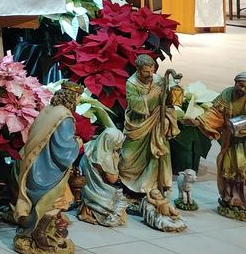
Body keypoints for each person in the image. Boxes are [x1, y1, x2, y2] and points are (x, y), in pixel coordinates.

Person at [13, 81, 82, 254]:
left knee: (40, 203)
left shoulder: (48, 110)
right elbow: (63, 150)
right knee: (52, 202)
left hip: (33, 165)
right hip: (48, 170)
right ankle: (39, 236)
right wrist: (77, 144)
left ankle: (32, 233)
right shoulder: (65, 117)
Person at [120, 54, 183, 222]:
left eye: (152, 70)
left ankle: (151, 188)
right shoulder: (131, 83)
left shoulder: (159, 79)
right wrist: (151, 95)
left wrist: (171, 95)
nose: (149, 74)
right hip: (138, 124)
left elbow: (166, 101)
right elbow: (134, 105)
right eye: (145, 72)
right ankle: (131, 190)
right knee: (128, 157)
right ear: (138, 70)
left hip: (156, 123)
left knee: (155, 156)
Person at [190, 71, 246, 216]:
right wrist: (199, 121)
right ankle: (231, 198)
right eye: (240, 85)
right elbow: (215, 112)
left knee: (243, 168)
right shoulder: (227, 94)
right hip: (231, 140)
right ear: (235, 83)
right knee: (228, 166)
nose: (243, 90)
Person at [76, 127, 128, 227]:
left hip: (87, 185)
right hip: (99, 188)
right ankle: (92, 211)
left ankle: (86, 210)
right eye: (119, 142)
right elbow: (112, 179)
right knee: (118, 208)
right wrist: (116, 160)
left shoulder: (90, 145)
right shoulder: (107, 157)